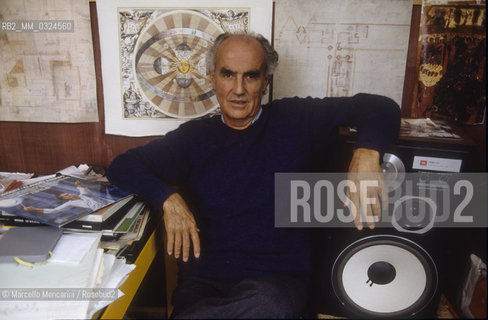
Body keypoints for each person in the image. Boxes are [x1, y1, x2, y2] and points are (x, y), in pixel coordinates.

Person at [106, 32, 401, 318]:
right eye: (227, 74)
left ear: (265, 82)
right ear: (212, 78)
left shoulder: (296, 119)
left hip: (276, 285)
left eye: (251, 76)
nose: (238, 89)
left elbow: (381, 107)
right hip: (204, 288)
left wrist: (366, 152)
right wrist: (167, 198)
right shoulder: (193, 138)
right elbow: (122, 166)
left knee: (272, 302)